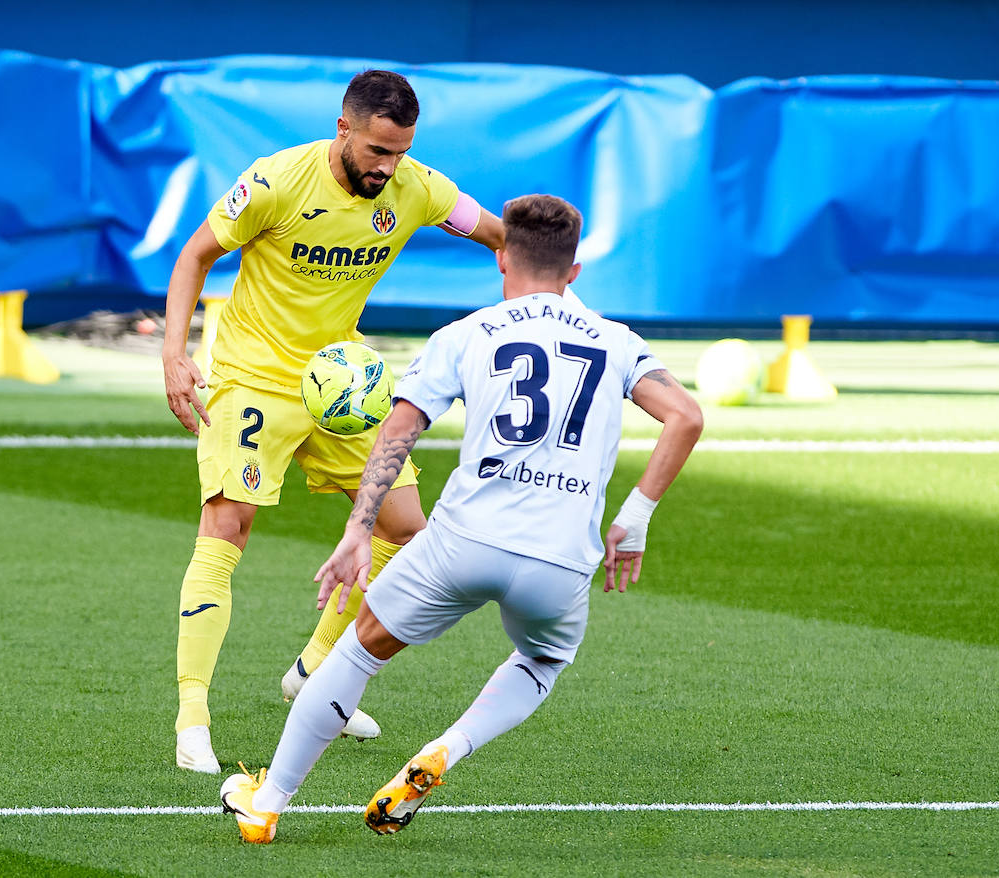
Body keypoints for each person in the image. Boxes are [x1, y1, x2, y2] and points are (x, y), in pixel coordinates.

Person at [219, 193, 704, 843]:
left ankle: (269, 801)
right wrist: (636, 518)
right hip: (560, 558)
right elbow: (687, 417)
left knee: (359, 650)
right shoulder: (615, 342)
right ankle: (446, 748)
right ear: (576, 272)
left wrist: (359, 528)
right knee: (541, 660)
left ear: (501, 258)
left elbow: (399, 430)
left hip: (463, 542)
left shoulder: (466, 334)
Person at [162, 70, 505, 773]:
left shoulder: (418, 188)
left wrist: (547, 280)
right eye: (377, 150)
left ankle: (313, 672)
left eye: (400, 152)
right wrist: (174, 353)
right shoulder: (275, 182)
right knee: (228, 524)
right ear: (343, 129)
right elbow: (195, 255)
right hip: (254, 375)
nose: (388, 166)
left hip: (340, 385)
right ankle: (192, 715)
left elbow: (502, 238)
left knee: (406, 531)